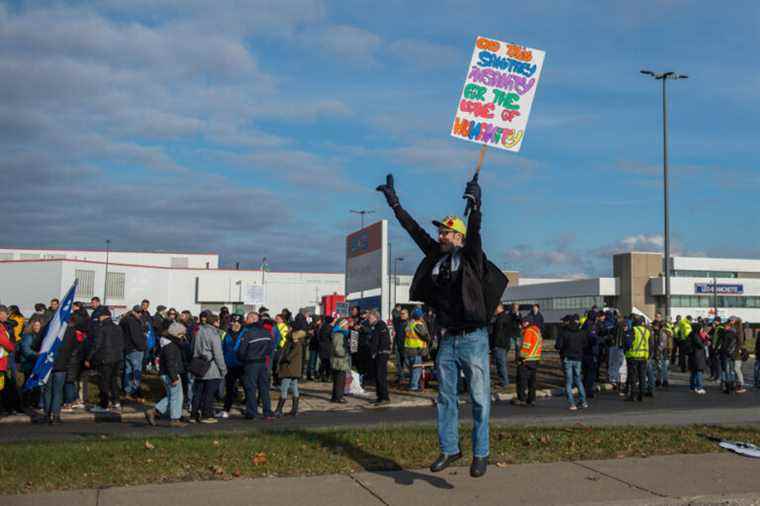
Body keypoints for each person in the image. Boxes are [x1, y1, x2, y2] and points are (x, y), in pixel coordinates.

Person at [377, 172, 507, 478]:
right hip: (448, 339)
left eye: (446, 232)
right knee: (445, 397)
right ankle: (450, 449)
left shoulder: (472, 259)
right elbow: (414, 231)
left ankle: (481, 452)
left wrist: (476, 203)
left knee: (478, 398)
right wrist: (395, 204)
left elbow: (476, 232)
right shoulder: (436, 257)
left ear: (458, 237)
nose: (440, 236)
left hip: (474, 338)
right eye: (440, 232)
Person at [146, 322, 187, 427]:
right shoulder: (171, 346)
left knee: (171, 396)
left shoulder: (167, 343)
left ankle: (155, 412)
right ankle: (174, 419)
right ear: (176, 334)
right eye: (181, 334)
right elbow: (170, 363)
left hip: (166, 373)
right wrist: (174, 377)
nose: (183, 336)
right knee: (177, 397)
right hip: (171, 374)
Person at [85, 309, 124, 413]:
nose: (98, 319)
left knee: (104, 383)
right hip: (116, 358)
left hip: (105, 359)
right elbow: (121, 344)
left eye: (99, 317)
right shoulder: (118, 327)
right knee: (113, 381)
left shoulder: (101, 328)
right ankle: (116, 402)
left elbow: (96, 345)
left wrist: (88, 358)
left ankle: (104, 405)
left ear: (103, 316)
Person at [190, 313, 227, 423]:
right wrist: (223, 369)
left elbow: (193, 348)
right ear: (215, 322)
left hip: (199, 364)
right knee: (209, 393)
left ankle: (194, 415)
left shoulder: (199, 331)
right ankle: (206, 415)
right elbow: (218, 354)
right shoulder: (214, 334)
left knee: (198, 392)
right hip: (211, 367)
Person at [237, 312, 274, 420]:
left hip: (251, 363)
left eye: (247, 318)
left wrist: (242, 359)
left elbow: (241, 350)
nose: (245, 320)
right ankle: (267, 411)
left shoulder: (248, 333)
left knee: (251, 388)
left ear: (253, 319)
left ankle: (252, 412)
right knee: (264, 388)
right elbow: (271, 348)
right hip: (263, 363)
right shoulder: (266, 332)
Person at [557, 315, 588, 410]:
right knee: (578, 380)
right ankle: (583, 402)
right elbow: (585, 344)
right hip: (578, 358)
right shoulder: (581, 332)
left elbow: (558, 346)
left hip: (568, 358)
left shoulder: (564, 333)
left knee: (569, 382)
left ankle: (572, 403)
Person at [219, 315, 246, 418]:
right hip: (229, 364)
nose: (235, 324)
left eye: (237, 322)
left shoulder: (245, 333)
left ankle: (249, 407)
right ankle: (226, 409)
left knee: (246, 387)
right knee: (229, 388)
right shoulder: (226, 334)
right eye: (233, 322)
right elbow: (222, 348)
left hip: (242, 364)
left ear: (241, 323)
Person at [512, 318, 542, 407]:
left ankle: (521, 399)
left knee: (521, 380)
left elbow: (526, 346)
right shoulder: (536, 330)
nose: (520, 325)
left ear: (526, 323)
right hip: (535, 359)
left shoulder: (528, 331)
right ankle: (532, 399)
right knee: (532, 381)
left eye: (522, 323)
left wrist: (520, 358)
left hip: (526, 360)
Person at [276, 324, 304, 417]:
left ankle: (279, 410)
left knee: (284, 388)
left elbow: (288, 357)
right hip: (294, 370)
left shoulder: (295, 345)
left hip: (288, 369)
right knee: (294, 388)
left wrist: (281, 359)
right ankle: (294, 410)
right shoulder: (297, 344)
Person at [120, 305, 147, 402]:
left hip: (127, 349)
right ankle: (134, 392)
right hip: (135, 349)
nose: (140, 314)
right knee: (136, 371)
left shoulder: (124, 320)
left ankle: (127, 392)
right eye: (138, 312)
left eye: (141, 312)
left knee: (128, 371)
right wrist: (142, 347)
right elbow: (136, 336)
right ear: (133, 312)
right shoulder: (133, 321)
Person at [367, 310, 391, 404]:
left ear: (375, 317)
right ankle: (380, 396)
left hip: (381, 353)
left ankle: (385, 397)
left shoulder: (380, 325)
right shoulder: (376, 326)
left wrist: (373, 352)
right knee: (377, 375)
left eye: (369, 318)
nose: (368, 320)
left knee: (381, 376)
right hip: (379, 353)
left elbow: (376, 341)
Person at [624, 316, 649, 402]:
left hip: (633, 356)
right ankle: (641, 394)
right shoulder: (647, 331)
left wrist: (626, 350)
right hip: (644, 356)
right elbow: (651, 344)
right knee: (642, 376)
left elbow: (628, 343)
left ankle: (633, 395)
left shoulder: (632, 330)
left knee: (633, 376)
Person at [404, 308, 430, 392]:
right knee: (416, 369)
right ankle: (414, 386)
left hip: (408, 349)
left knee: (412, 369)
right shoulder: (418, 325)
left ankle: (412, 384)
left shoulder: (410, 324)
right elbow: (425, 336)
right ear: (419, 316)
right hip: (417, 350)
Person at [489, 303, 511, 389]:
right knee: (500, 364)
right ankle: (503, 381)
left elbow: (498, 333)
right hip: (503, 344)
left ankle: (504, 382)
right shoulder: (503, 317)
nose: (494, 310)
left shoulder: (501, 318)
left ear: (499, 307)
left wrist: (494, 344)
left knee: (501, 364)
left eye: (495, 308)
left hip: (499, 344)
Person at [330, 318, 351, 404]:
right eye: (346, 325)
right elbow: (338, 349)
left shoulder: (339, 333)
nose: (348, 326)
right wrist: (345, 353)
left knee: (337, 379)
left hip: (338, 360)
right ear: (342, 325)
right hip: (339, 361)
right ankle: (339, 397)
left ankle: (335, 397)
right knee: (340, 380)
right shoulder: (339, 334)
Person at [689, 324, 709, 395]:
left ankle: (692, 387)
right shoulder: (696, 335)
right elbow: (700, 345)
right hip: (697, 355)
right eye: (701, 328)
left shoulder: (691, 334)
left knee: (694, 372)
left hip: (694, 355)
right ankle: (699, 387)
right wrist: (706, 340)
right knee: (698, 371)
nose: (702, 330)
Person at [393, 308, 409, 384]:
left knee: (405, 363)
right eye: (401, 313)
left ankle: (406, 378)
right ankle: (400, 378)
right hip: (398, 345)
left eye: (403, 314)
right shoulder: (398, 323)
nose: (401, 315)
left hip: (405, 346)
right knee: (398, 363)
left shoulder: (408, 323)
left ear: (407, 315)